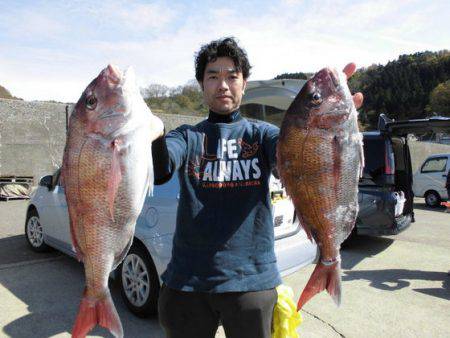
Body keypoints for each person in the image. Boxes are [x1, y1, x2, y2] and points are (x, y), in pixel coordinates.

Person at [151, 37, 363, 338]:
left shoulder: (263, 134)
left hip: (252, 282)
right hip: (187, 282)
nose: (222, 85)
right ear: (202, 85)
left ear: (244, 83)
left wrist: (334, 128)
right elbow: (161, 170)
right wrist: (154, 134)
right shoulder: (187, 136)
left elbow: (297, 161)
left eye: (231, 76)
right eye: (213, 76)